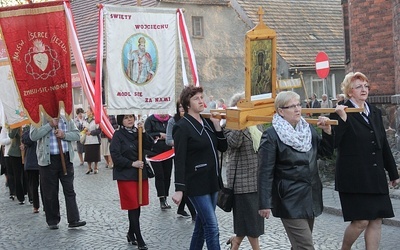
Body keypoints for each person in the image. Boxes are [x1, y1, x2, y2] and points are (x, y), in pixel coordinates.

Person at [330, 72, 400, 250]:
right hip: (353, 178)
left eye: (366, 86)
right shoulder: (341, 111)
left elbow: (382, 144)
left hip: (374, 176)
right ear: (349, 91)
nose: (364, 89)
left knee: (376, 220)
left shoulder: (374, 112)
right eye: (359, 86)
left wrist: (393, 173)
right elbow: (332, 143)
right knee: (361, 221)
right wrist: (343, 120)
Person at [258, 90, 334, 250]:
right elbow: (265, 171)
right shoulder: (271, 136)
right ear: (281, 111)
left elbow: (325, 153)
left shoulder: (308, 131)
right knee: (305, 246)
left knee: (299, 246)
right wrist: (264, 202)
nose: (298, 109)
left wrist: (327, 133)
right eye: (292, 106)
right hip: (289, 199)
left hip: (310, 196)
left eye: (299, 104)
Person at [171, 85, 228, 250]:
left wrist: (218, 126)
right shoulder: (182, 127)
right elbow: (179, 159)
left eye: (202, 97)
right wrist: (179, 188)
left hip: (212, 180)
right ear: (188, 104)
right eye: (196, 98)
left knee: (202, 227)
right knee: (211, 226)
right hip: (196, 183)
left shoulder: (208, 122)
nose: (201, 101)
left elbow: (223, 147)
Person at [30, 113, 86, 229]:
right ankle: (52, 220)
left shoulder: (66, 116)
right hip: (47, 160)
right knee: (50, 192)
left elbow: (77, 135)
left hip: (65, 158)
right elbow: (33, 136)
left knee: (69, 190)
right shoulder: (39, 117)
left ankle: (74, 219)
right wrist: (49, 125)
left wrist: (64, 134)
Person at [224, 92, 264, 250]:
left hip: (257, 178)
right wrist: (240, 121)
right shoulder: (229, 125)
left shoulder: (257, 123)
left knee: (251, 219)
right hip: (241, 180)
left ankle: (236, 242)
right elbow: (233, 143)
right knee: (249, 220)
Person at [110, 114, 153, 250]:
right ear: (121, 120)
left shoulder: (138, 132)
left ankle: (130, 233)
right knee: (132, 205)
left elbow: (150, 145)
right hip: (126, 174)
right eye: (126, 118)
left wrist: (144, 132)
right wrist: (131, 163)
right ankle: (139, 238)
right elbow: (115, 156)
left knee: (137, 205)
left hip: (140, 173)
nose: (130, 120)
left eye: (131, 117)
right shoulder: (118, 135)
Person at [166, 100, 196, 220]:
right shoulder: (173, 121)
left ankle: (181, 208)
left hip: (193, 157)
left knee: (190, 183)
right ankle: (194, 213)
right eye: (179, 107)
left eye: (184, 107)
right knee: (185, 183)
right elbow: (168, 141)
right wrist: (183, 142)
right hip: (180, 155)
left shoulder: (193, 120)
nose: (182, 109)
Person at [144, 113, 173, 210]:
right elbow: (147, 135)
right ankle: (162, 199)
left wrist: (168, 137)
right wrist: (159, 134)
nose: (163, 114)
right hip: (155, 152)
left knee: (167, 175)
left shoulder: (171, 120)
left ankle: (165, 196)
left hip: (168, 151)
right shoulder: (150, 120)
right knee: (159, 175)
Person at [21, 124, 41, 213]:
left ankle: (46, 206)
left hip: (42, 160)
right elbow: (27, 140)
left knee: (45, 186)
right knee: (34, 186)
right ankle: (35, 205)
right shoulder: (28, 130)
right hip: (32, 162)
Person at [8, 127, 26, 204]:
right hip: (15, 154)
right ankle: (20, 196)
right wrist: (16, 127)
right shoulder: (13, 125)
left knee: (26, 175)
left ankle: (29, 194)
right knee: (17, 176)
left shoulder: (27, 123)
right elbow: (11, 135)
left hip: (26, 152)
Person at [83, 107, 101, 174]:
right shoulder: (85, 120)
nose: (87, 112)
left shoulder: (96, 120)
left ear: (91, 112)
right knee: (88, 155)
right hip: (87, 140)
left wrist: (91, 133)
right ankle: (89, 167)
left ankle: (96, 167)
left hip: (95, 140)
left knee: (95, 155)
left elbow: (99, 130)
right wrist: (84, 130)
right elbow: (82, 127)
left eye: (88, 111)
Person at [0, 126, 15, 201]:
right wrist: (11, 139)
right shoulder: (4, 128)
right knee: (10, 174)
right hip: (7, 153)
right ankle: (12, 192)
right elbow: (2, 141)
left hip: (17, 153)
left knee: (18, 174)